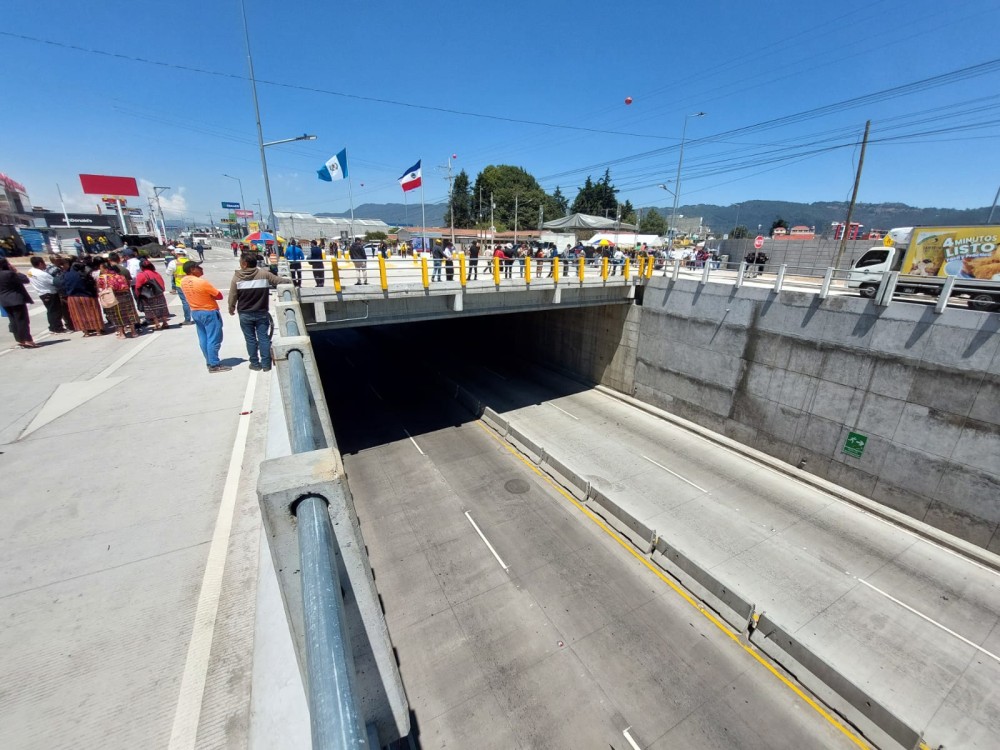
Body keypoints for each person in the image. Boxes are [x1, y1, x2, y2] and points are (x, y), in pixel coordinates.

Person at [228, 252, 290, 371]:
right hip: (261, 312)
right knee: (263, 338)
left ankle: (255, 364)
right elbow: (279, 281)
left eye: (240, 262)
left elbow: (232, 296)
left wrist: (231, 308)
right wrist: (290, 281)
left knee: (250, 339)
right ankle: (266, 364)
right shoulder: (263, 274)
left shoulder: (237, 277)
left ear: (245, 264)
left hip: (245, 314)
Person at [180, 261, 230, 373]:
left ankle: (209, 361)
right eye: (198, 267)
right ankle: (214, 364)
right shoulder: (201, 282)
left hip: (196, 312)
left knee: (203, 338)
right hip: (209, 311)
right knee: (214, 338)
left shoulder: (183, 282)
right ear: (192, 269)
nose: (201, 269)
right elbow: (219, 295)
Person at [0, 257, 37, 348]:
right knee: (22, 321)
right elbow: (25, 279)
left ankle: (20, 340)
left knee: (13, 321)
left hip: (4, 300)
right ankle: (27, 339)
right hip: (16, 299)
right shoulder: (10, 273)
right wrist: (15, 271)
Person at [97, 261, 139, 338]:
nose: (100, 269)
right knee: (129, 313)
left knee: (116, 315)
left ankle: (122, 334)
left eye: (101, 268)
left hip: (113, 298)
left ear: (105, 269)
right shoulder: (120, 276)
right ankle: (133, 332)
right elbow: (128, 285)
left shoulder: (102, 278)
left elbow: (100, 288)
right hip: (125, 296)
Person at [28, 256, 69, 333]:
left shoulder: (30, 271)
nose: (45, 265)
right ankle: (57, 328)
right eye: (43, 263)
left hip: (41, 293)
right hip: (50, 293)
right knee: (55, 311)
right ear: (40, 264)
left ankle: (53, 326)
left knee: (50, 311)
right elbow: (54, 282)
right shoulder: (43, 274)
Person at [134, 258, 170, 330]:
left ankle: (157, 324)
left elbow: (138, 286)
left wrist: (138, 294)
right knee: (162, 308)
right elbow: (162, 283)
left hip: (148, 296)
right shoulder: (156, 273)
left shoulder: (141, 275)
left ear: (141, 267)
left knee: (151, 309)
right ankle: (165, 322)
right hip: (159, 294)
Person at [167, 249, 193, 324]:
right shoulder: (189, 261)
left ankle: (187, 320)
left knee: (185, 302)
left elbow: (168, 273)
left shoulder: (174, 262)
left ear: (177, 254)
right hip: (191, 283)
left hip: (180, 284)